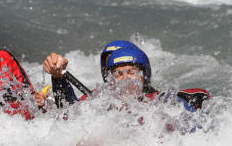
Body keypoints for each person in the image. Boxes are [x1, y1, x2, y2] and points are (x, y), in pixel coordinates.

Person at [41, 41, 210, 111]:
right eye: (118, 73)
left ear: (144, 75)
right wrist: (58, 79)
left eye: (131, 71)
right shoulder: (100, 101)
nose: (126, 78)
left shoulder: (159, 102)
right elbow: (70, 113)